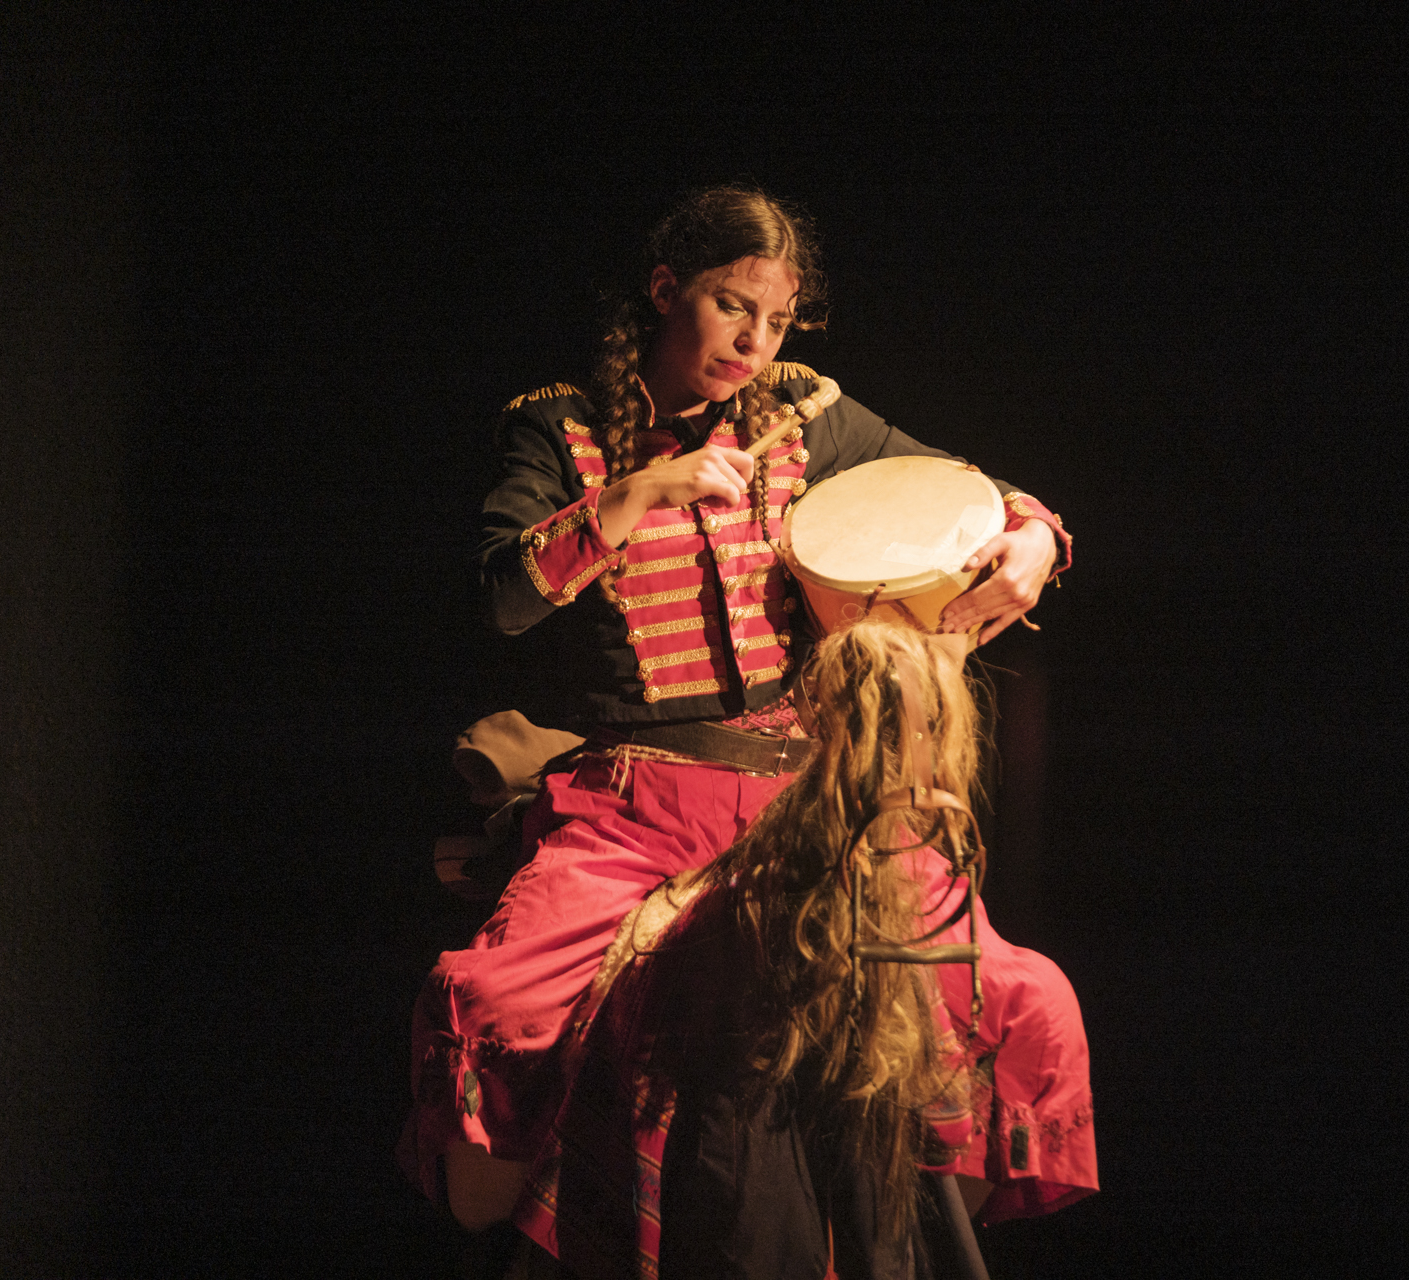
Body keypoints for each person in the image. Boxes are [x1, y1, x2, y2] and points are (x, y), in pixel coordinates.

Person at [405, 186, 1094, 1262]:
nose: (754, 341)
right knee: (497, 1000)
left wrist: (1035, 531)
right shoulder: (561, 424)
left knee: (1013, 989)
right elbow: (501, 595)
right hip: (637, 803)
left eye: (776, 319)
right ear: (665, 289)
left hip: (800, 802)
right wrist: (643, 490)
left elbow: (967, 486)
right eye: (732, 306)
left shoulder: (804, 416)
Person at [531, 622, 1002, 1279]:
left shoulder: (833, 874)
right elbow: (942, 1128)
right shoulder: (823, 893)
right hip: (749, 1195)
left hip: (753, 1193)